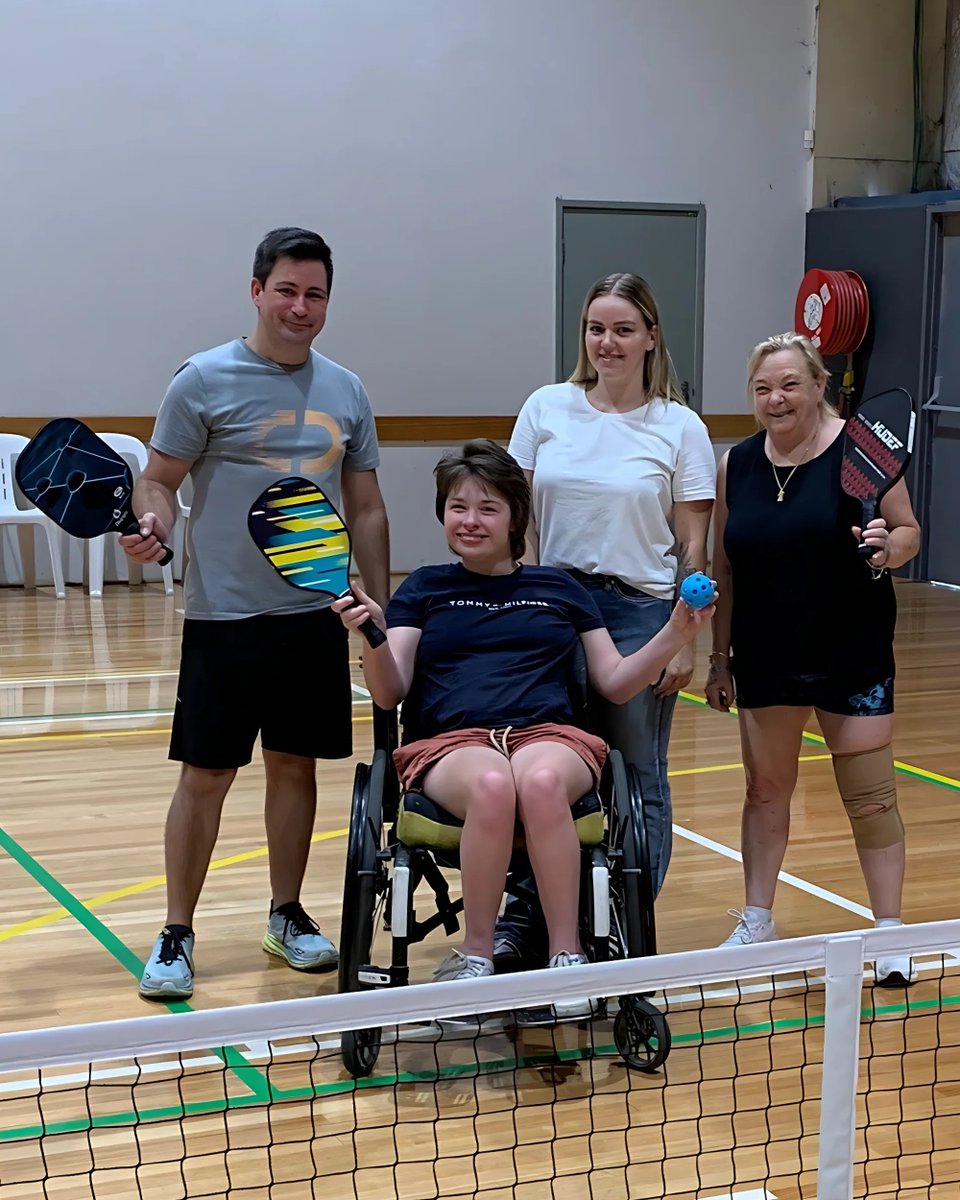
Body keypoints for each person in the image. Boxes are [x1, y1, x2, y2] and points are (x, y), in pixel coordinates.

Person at [334, 441, 712, 1016]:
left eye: (487, 507)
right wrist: (373, 636)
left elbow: (612, 681)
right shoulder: (423, 589)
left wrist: (678, 633)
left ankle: (566, 958)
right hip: (453, 744)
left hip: (551, 738)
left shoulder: (559, 589)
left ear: (516, 516)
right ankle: (478, 957)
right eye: (457, 507)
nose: (470, 520)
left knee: (535, 782)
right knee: (493, 785)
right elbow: (389, 691)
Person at [121, 227, 390, 1000]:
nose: (300, 307)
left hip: (315, 614)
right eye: (287, 291)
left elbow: (365, 505)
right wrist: (157, 525)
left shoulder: (347, 389)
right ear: (256, 290)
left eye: (314, 295)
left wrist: (378, 601)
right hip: (225, 615)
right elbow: (160, 480)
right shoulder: (201, 380)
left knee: (295, 768)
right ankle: (176, 929)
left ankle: (287, 913)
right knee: (206, 774)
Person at [502, 273, 715, 963]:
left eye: (625, 329)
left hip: (639, 612)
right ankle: (536, 916)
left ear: (652, 336)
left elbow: (694, 545)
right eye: (598, 328)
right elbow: (520, 518)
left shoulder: (680, 427)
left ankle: (624, 927)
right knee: (543, 767)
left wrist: (685, 639)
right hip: (554, 607)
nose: (609, 342)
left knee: (635, 775)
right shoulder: (546, 407)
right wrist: (527, 601)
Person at [706, 332, 920, 986]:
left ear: (818, 385)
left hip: (850, 651)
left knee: (871, 799)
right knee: (764, 792)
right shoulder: (736, 465)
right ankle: (757, 920)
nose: (776, 398)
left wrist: (889, 547)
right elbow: (725, 564)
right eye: (764, 388)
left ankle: (889, 933)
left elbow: (907, 531)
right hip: (766, 653)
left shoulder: (863, 450)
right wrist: (719, 657)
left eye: (790, 384)